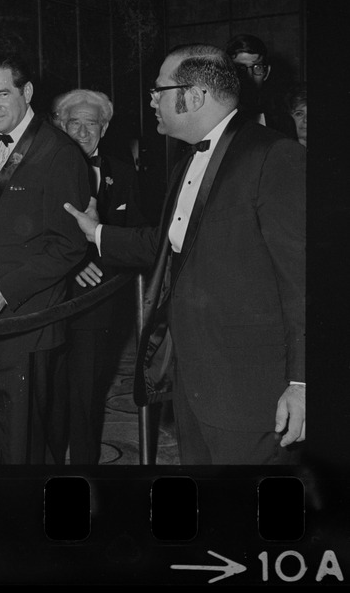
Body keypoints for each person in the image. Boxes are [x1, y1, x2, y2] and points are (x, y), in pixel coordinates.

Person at [64, 45, 305, 464]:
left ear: (193, 97)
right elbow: (168, 241)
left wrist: (302, 384)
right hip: (192, 379)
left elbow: (305, 280)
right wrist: (96, 231)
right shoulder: (183, 162)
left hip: (251, 389)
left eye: (159, 90)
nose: (152, 100)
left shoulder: (274, 156)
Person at [0, 52, 91, 464]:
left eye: (2, 94)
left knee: (24, 439)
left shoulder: (58, 152)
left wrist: (7, 289)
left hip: (28, 315)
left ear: (28, 92)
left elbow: (69, 245)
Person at [49, 89, 146, 465]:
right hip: (51, 296)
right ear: (60, 125)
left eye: (92, 124)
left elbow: (137, 233)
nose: (83, 132)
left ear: (104, 129)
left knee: (88, 395)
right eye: (75, 123)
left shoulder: (121, 173)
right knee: (52, 395)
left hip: (98, 302)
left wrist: (101, 256)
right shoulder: (40, 169)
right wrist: (72, 262)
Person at [225, 33, 294, 136]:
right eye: (240, 69)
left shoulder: (282, 122)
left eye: (257, 67)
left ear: (267, 72)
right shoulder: (216, 119)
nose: (249, 76)